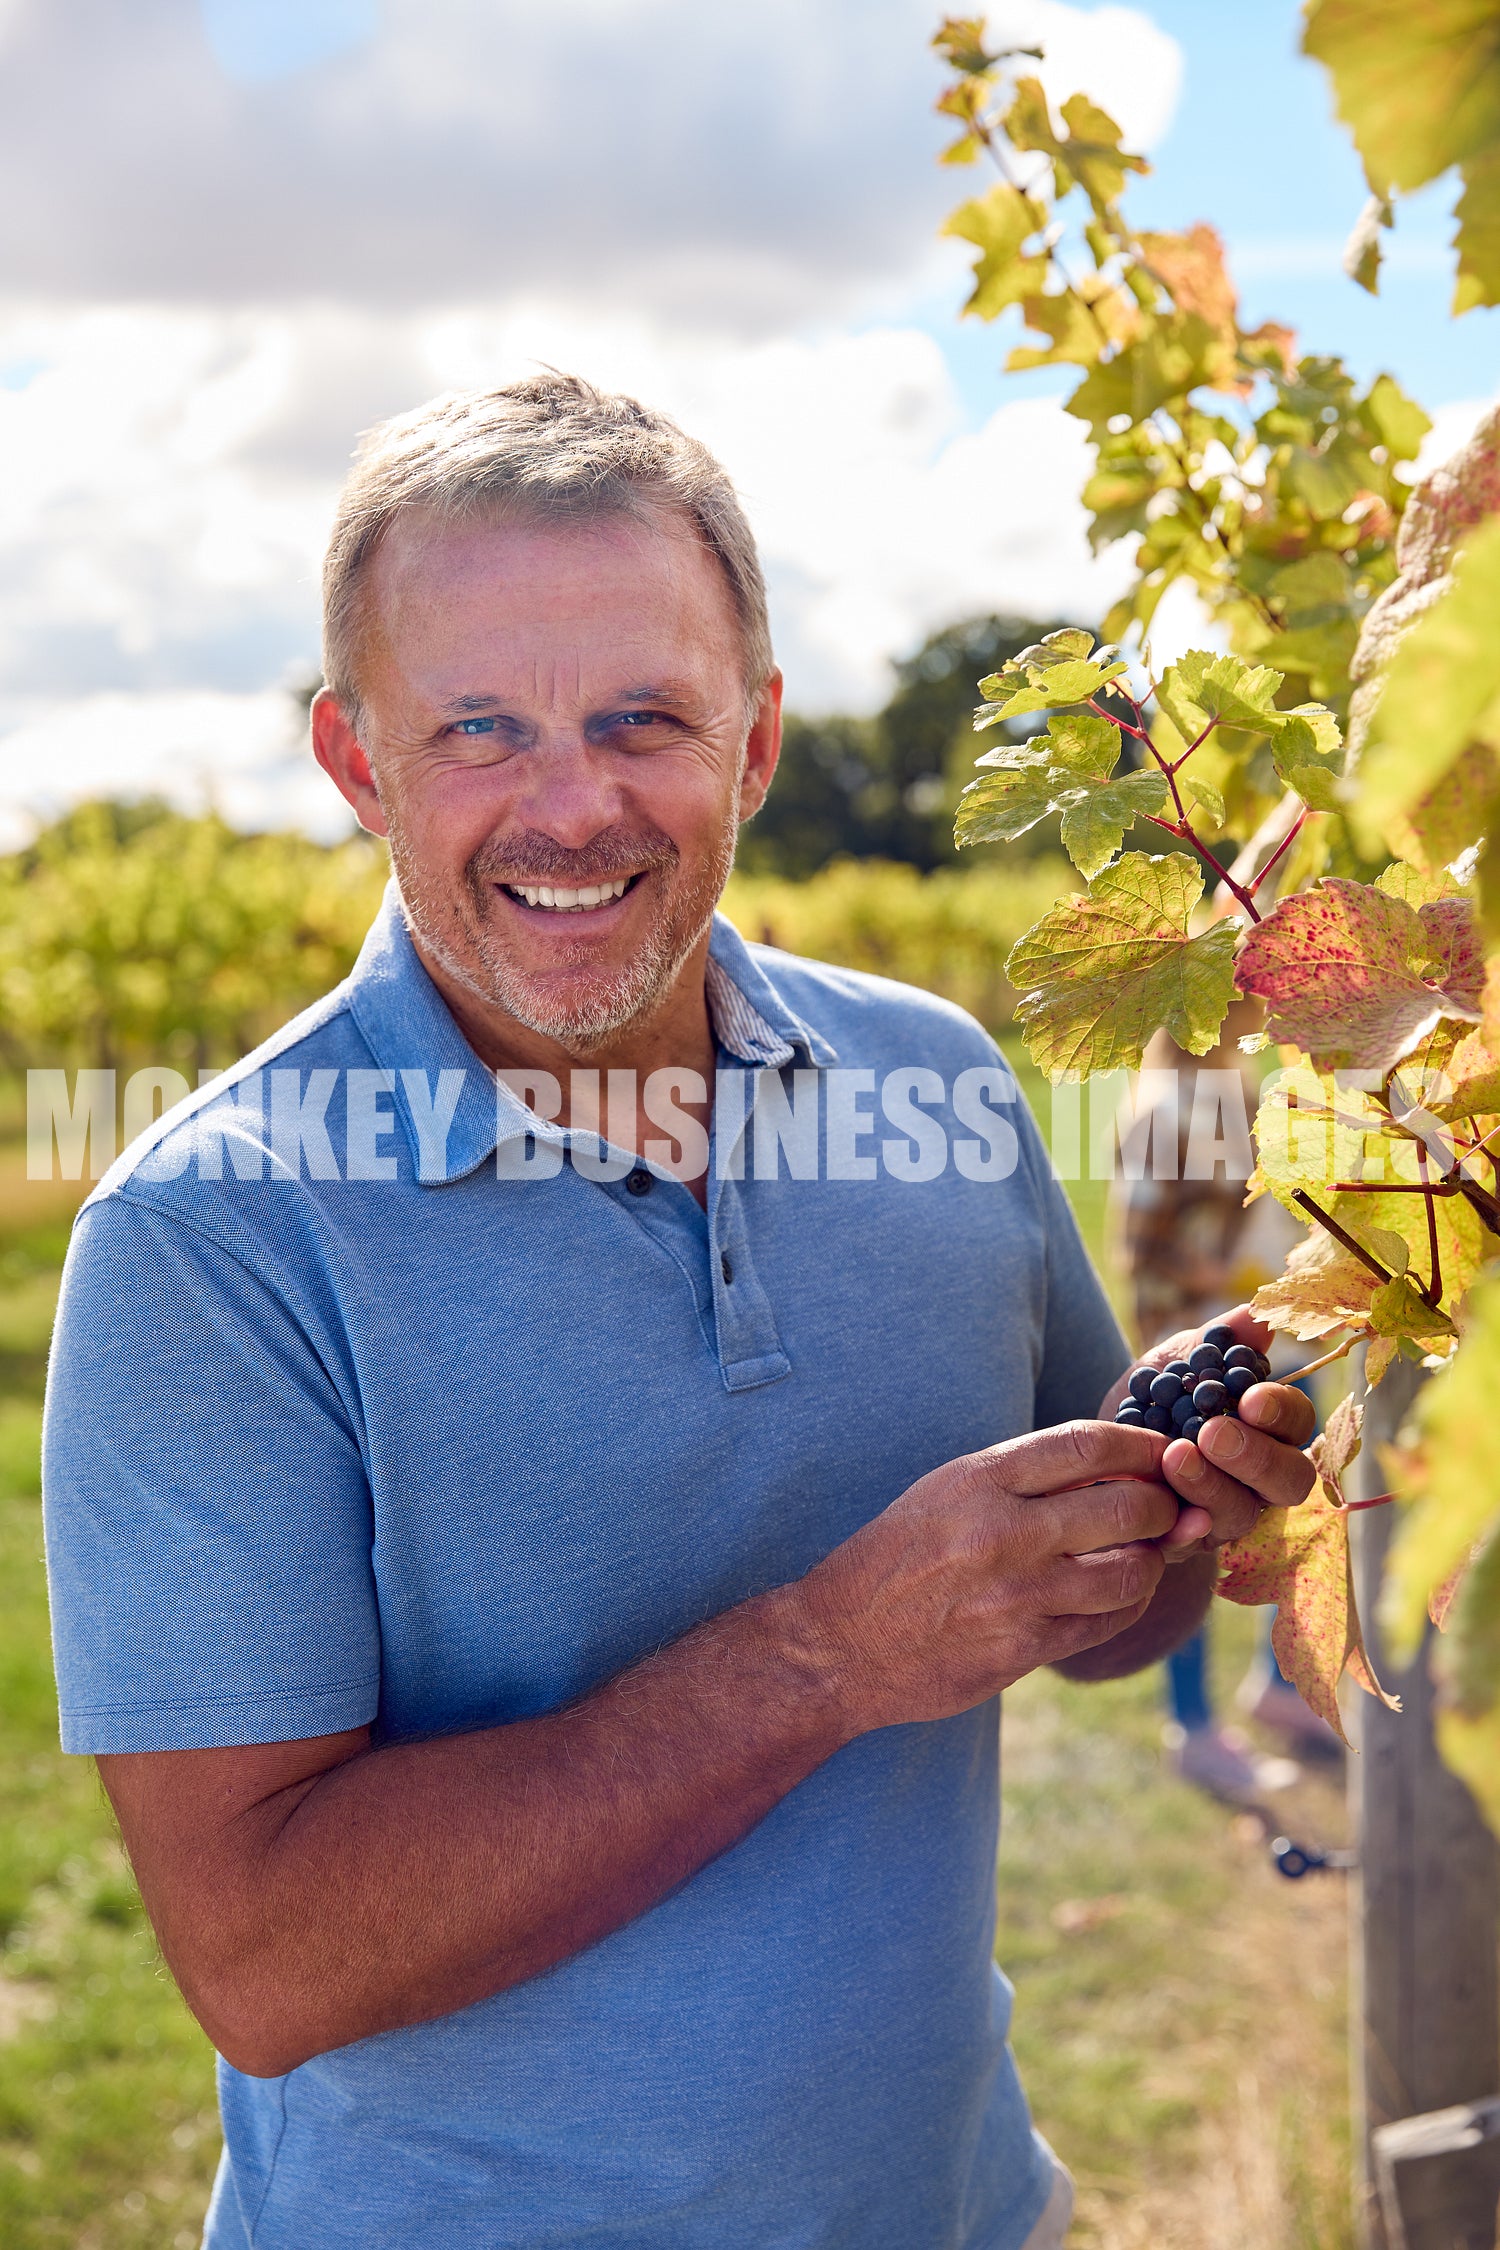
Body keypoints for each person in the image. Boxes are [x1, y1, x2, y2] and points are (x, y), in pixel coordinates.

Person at [41, 376, 1316, 2250]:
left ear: (757, 741)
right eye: (478, 726)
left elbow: (1103, 1627)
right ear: (357, 762)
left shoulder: (940, 1085)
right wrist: (822, 1659)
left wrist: (1185, 1513)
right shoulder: (208, 1239)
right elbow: (268, 1960)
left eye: (644, 718)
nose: (572, 806)